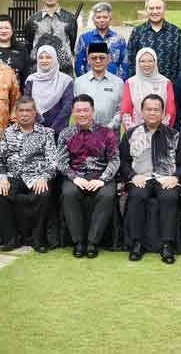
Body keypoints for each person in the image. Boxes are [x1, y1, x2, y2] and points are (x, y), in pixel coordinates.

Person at [119, 94, 181, 264]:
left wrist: (176, 177)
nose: (152, 113)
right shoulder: (131, 134)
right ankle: (136, 243)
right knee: (137, 195)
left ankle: (167, 244)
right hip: (140, 178)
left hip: (166, 179)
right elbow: (122, 161)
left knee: (169, 197)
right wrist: (132, 176)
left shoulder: (174, 135)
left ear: (163, 113)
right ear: (142, 112)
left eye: (156, 109)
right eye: (148, 109)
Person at [57, 95, 119, 258]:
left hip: (101, 175)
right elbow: (61, 162)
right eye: (78, 111)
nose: (82, 114)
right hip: (76, 175)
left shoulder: (107, 133)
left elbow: (114, 159)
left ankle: (93, 242)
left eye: (86, 110)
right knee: (69, 193)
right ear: (73, 112)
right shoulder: (66, 134)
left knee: (107, 195)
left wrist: (102, 180)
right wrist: (74, 177)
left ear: (93, 112)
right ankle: (78, 242)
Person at [0, 97, 57, 253]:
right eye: (21, 110)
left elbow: (53, 161)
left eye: (28, 110)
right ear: (15, 113)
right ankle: (10, 240)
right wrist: (1, 178)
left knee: (44, 194)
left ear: (35, 112)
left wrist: (44, 177)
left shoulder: (46, 133)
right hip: (13, 176)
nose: (24, 114)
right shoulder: (7, 133)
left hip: (37, 176)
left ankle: (38, 239)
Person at [127, 0, 181, 82]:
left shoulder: (176, 32)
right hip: (143, 85)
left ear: (164, 9)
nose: (155, 11)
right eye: (151, 8)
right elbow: (131, 60)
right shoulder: (138, 32)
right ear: (146, 10)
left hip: (170, 85)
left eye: (158, 8)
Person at [25, 0, 77, 75]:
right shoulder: (32, 20)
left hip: (64, 70)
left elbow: (72, 43)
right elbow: (28, 44)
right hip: (38, 70)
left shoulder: (70, 18)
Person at [121, 48, 176, 132]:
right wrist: (134, 132)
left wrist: (160, 131)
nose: (147, 64)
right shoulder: (130, 83)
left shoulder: (165, 82)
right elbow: (125, 112)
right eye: (142, 61)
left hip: (161, 134)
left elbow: (170, 112)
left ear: (155, 62)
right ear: (137, 63)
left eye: (150, 61)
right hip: (136, 135)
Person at [72, 42, 124, 132]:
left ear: (108, 59)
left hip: (111, 134)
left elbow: (121, 110)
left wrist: (109, 127)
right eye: (94, 58)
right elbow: (76, 109)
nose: (98, 61)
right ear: (88, 60)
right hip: (85, 133)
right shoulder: (79, 82)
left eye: (102, 58)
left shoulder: (118, 83)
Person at [24, 45, 73, 132]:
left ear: (54, 59)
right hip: (35, 130)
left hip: (58, 131)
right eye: (41, 58)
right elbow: (27, 104)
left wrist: (52, 129)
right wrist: (38, 125)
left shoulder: (65, 80)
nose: (44, 61)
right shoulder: (31, 79)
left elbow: (67, 107)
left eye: (48, 57)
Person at [74, 2, 129, 79]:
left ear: (110, 19)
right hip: (90, 84)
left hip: (114, 84)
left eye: (105, 17)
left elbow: (125, 63)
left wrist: (120, 83)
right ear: (93, 19)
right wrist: (84, 82)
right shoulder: (84, 38)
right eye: (98, 17)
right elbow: (78, 64)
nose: (102, 20)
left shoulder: (119, 40)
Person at [0, 14, 29, 90]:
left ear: (12, 31)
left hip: (16, 93)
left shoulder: (21, 48)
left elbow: (26, 73)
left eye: (7, 28)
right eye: (0, 28)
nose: (3, 31)